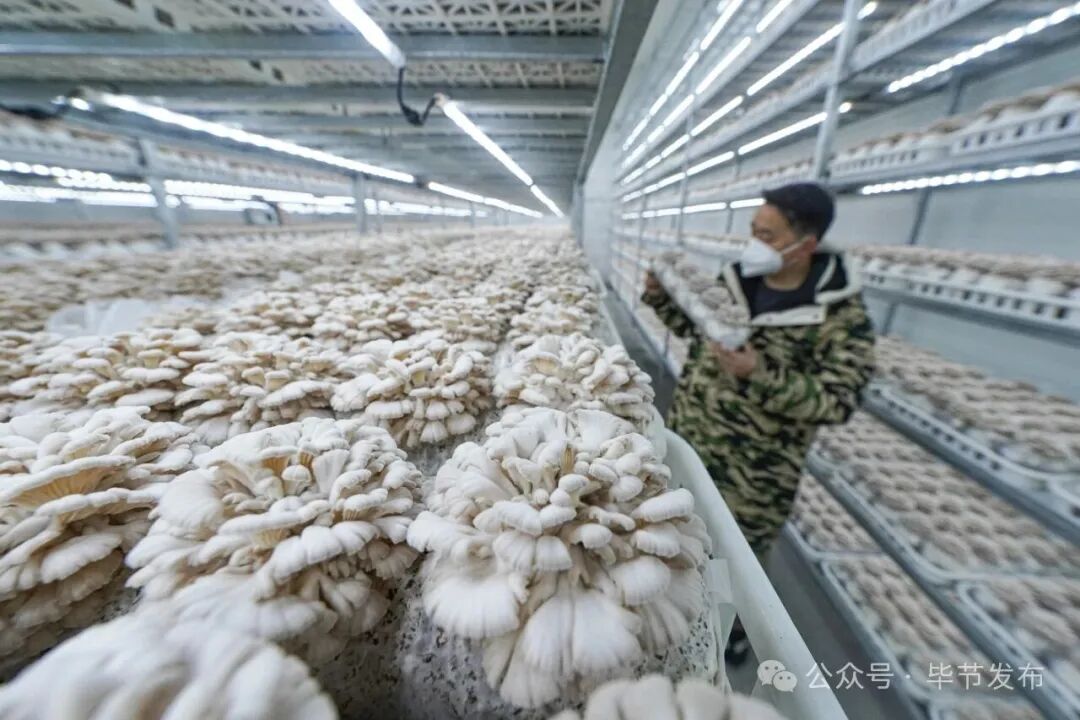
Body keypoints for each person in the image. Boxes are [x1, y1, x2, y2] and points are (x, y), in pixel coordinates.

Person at [642, 181, 875, 563]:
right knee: (670, 546)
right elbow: (696, 333)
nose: (754, 243)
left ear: (806, 245)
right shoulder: (737, 281)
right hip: (689, 443)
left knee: (730, 567)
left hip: (751, 480)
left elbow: (838, 401)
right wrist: (660, 298)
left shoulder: (839, 317)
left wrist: (759, 374)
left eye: (767, 236)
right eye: (754, 231)